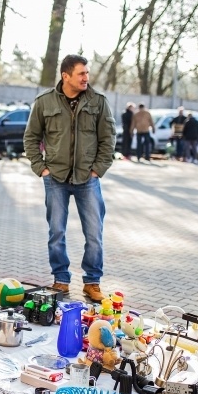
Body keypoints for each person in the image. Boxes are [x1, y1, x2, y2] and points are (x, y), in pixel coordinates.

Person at [23, 54, 116, 303]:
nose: (86, 77)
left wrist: (97, 169)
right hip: (55, 177)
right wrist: (41, 167)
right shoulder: (44, 102)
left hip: (88, 178)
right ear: (66, 76)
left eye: (87, 73)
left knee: (94, 233)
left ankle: (92, 282)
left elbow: (109, 139)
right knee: (56, 232)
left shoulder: (98, 102)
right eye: (81, 73)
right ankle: (61, 280)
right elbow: (31, 137)